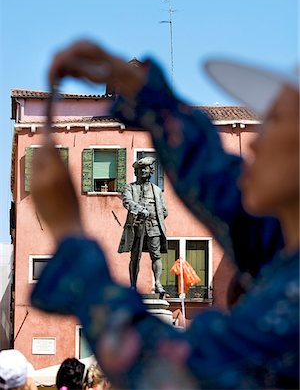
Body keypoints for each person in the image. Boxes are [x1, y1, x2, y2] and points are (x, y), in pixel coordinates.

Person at [30, 40, 298, 389]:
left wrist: (68, 232)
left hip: (147, 231)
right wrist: (138, 87)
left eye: (274, 119)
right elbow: (218, 184)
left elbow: (176, 372)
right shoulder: (278, 246)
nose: (256, 141)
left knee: (156, 258)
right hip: (140, 223)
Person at [119, 156, 168, 294]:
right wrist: (141, 210)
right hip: (137, 226)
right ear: (136, 172)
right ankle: (133, 284)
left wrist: (157, 216)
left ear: (151, 171)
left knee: (156, 255)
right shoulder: (130, 187)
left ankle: (158, 283)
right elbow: (127, 202)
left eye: (146, 168)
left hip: (154, 227)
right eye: (140, 169)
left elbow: (164, 210)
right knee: (135, 256)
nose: (143, 171)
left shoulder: (157, 190)